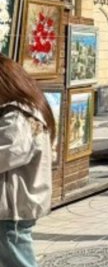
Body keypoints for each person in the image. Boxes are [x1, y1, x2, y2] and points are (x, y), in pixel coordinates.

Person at [0, 56, 55, 267]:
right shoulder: (25, 110)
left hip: (11, 209)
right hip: (14, 206)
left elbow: (8, 153)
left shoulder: (18, 116)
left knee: (18, 262)